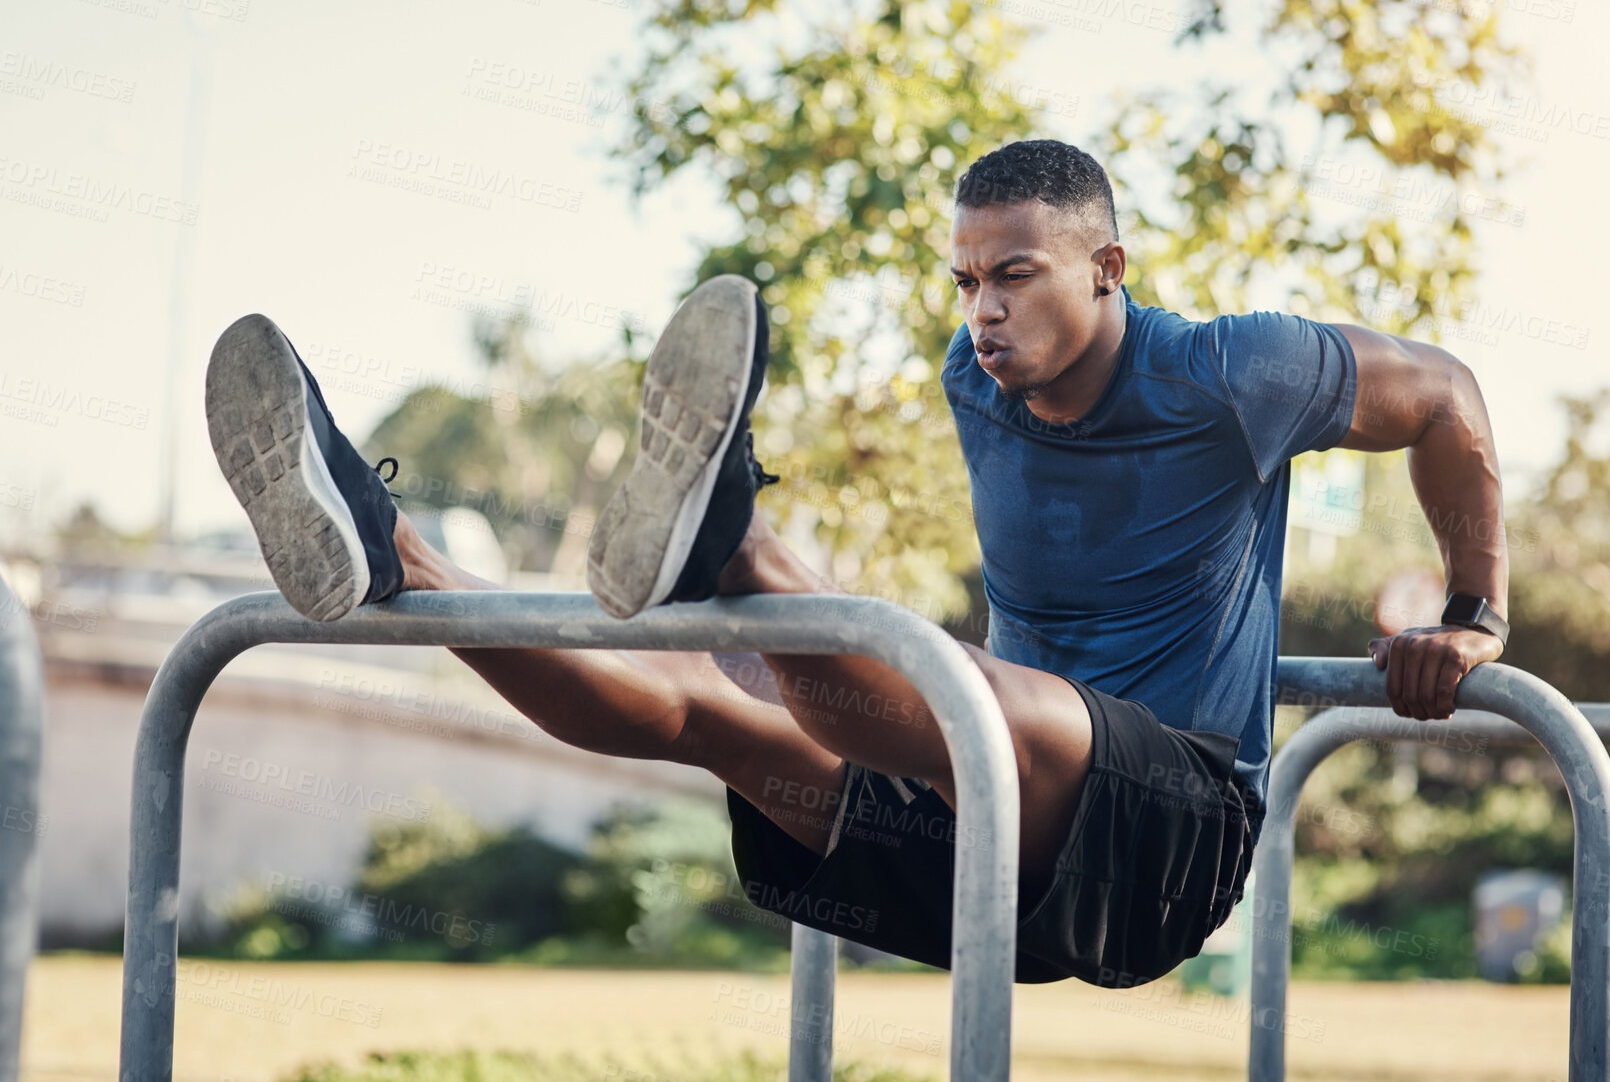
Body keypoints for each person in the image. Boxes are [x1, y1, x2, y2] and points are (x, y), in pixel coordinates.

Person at [203, 138, 1509, 989]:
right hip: (987, 844)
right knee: (723, 713)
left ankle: (737, 542)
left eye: (1014, 275)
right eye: (963, 282)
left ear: (1108, 270)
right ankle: (401, 566)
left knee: (967, 696)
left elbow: (1445, 395)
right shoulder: (974, 378)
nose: (982, 310)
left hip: (1169, 838)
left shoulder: (1233, 372)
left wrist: (1473, 609)